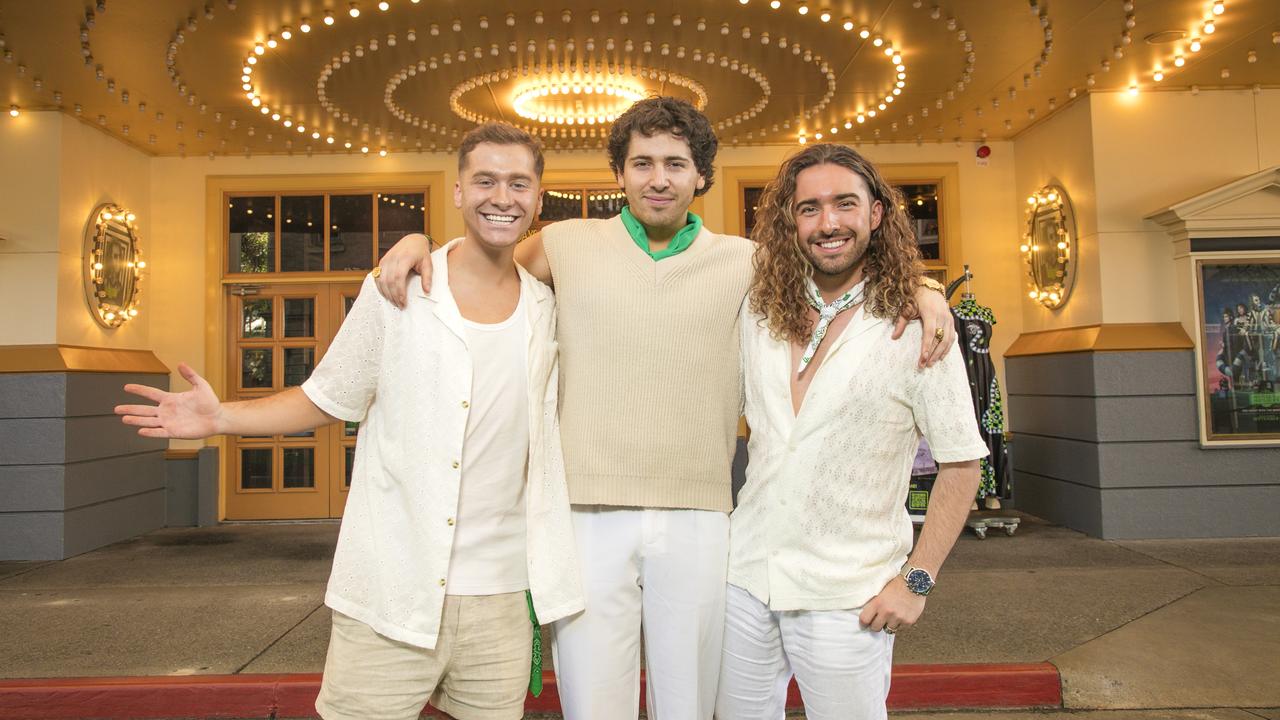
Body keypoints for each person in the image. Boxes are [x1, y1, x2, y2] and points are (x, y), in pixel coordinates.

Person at [373, 98, 956, 720]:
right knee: (595, 705)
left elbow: (840, 277)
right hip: (585, 514)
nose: (658, 179)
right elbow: (478, 267)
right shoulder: (563, 244)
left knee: (690, 704)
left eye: (675, 164)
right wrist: (417, 243)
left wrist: (924, 290)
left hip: (700, 517)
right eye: (642, 163)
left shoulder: (747, 262)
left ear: (700, 175)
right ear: (618, 174)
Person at [116, 122, 583, 720]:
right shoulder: (398, 292)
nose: (503, 197)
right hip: (392, 586)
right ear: (459, 192)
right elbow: (324, 396)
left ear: (538, 199)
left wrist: (415, 235)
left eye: (519, 184)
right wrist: (221, 416)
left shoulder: (547, 307)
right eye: (485, 180)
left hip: (501, 594)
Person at [717, 143, 987, 720]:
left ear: (876, 214)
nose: (828, 222)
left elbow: (963, 464)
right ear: (789, 221)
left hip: (850, 595)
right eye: (809, 208)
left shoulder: (917, 330)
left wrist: (917, 581)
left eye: (844, 203)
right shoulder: (757, 312)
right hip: (745, 578)